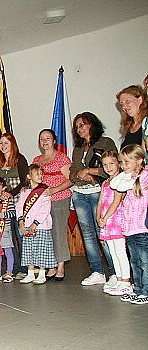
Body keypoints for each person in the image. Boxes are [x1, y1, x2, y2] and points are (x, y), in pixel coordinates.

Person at [68, 112, 117, 287]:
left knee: (102, 232)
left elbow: (112, 167)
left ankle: (115, 272)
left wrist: (89, 171)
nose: (79, 129)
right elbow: (72, 174)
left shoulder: (105, 143)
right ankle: (97, 271)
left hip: (99, 192)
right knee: (87, 234)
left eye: (82, 125)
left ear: (92, 124)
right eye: (77, 127)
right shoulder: (78, 148)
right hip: (79, 194)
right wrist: (80, 174)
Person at [32, 129, 72, 280]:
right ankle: (51, 265)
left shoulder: (62, 158)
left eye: (48, 138)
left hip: (59, 199)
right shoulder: (36, 160)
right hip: (42, 202)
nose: (44, 142)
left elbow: (70, 179)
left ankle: (60, 266)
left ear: (54, 140)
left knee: (58, 232)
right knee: (45, 234)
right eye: (42, 139)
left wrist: (54, 190)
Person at [116, 144, 148, 305]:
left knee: (144, 261)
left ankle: (146, 290)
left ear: (140, 160)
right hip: (130, 228)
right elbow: (115, 184)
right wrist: (126, 173)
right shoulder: (127, 178)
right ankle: (138, 289)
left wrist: (130, 175)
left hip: (142, 227)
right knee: (134, 261)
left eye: (127, 162)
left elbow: (124, 186)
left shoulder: (145, 176)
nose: (123, 165)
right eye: (121, 162)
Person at [96, 151, 132, 296]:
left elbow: (116, 202)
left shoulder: (121, 180)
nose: (108, 167)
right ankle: (119, 279)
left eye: (111, 163)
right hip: (106, 222)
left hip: (116, 220)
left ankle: (126, 281)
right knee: (112, 252)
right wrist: (98, 217)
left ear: (118, 163)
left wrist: (105, 217)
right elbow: (100, 202)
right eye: (105, 165)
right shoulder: (105, 183)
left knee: (120, 251)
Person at [0, 133, 28, 279]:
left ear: (12, 144)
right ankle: (13, 267)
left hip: (19, 202)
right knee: (8, 238)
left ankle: (24, 268)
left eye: (6, 143)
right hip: (5, 205)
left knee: (20, 235)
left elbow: (24, 181)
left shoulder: (20, 159)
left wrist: (11, 193)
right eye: (1, 143)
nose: (3, 146)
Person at [16, 164, 57, 284]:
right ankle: (30, 273)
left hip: (41, 226)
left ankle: (42, 274)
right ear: (29, 176)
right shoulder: (24, 192)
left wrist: (35, 224)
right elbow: (19, 207)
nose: (40, 176)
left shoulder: (44, 191)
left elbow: (45, 209)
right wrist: (21, 222)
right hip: (27, 225)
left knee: (41, 250)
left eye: (41, 174)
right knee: (28, 250)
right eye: (37, 174)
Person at [117, 85, 147, 149]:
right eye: (121, 104)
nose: (124, 107)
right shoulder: (129, 126)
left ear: (140, 99)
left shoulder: (146, 123)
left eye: (127, 101)